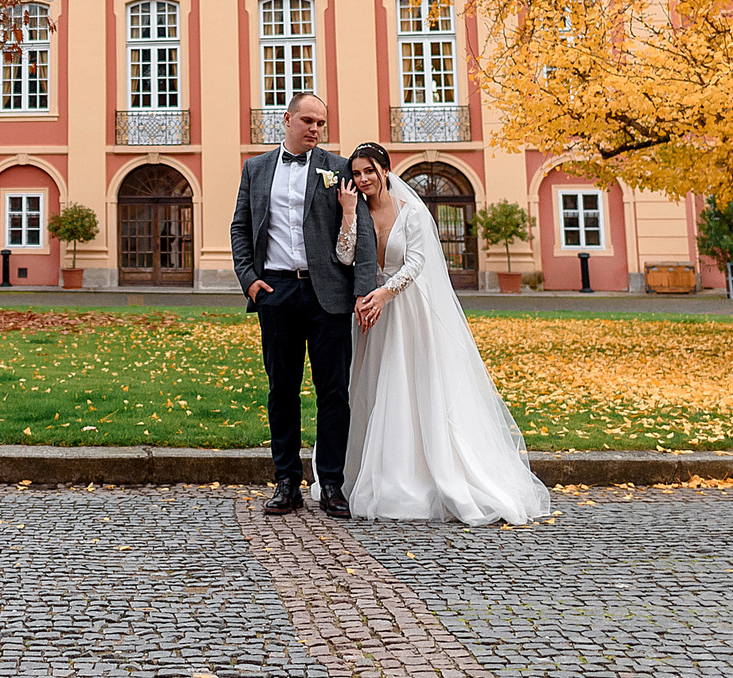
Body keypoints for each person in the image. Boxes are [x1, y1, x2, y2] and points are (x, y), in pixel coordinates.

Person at [340, 142, 554, 526]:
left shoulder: (413, 213)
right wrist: (347, 214)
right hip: (370, 312)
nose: (363, 179)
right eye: (356, 173)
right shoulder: (358, 212)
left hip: (405, 308)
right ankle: (366, 472)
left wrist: (386, 293)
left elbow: (418, 262)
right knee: (371, 386)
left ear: (385, 171)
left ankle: (416, 476)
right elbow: (344, 257)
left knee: (408, 385)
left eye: (369, 171)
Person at [230, 91, 379, 516]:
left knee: (333, 391)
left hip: (327, 294)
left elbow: (362, 232)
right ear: (287, 119)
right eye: (308, 121)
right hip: (276, 292)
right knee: (282, 390)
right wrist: (250, 281)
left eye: (321, 124)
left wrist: (361, 291)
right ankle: (286, 482)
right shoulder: (256, 169)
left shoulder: (337, 168)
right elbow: (240, 227)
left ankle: (331, 482)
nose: (315, 129)